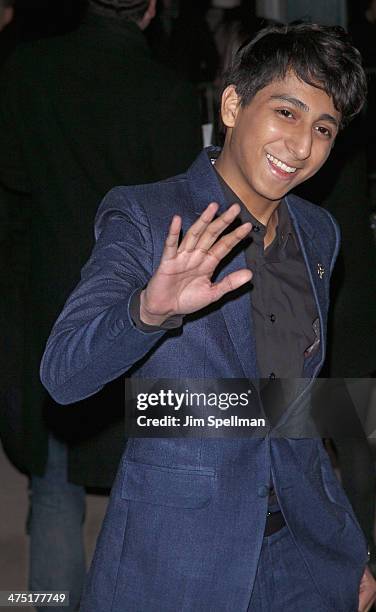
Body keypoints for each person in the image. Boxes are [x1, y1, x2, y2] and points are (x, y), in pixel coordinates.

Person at [40, 23, 376, 611]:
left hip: (300, 555)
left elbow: (298, 408)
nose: (302, 147)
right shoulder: (148, 216)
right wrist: (148, 312)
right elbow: (63, 375)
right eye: (287, 113)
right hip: (181, 559)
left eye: (324, 129)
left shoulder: (318, 233)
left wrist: (348, 547)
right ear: (232, 105)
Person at [0, 0, 201, 609]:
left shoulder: (27, 67)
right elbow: (181, 209)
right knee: (140, 478)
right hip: (138, 297)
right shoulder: (165, 90)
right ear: (151, 10)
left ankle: (50, 604)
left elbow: (11, 174)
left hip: (48, 283)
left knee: (54, 481)